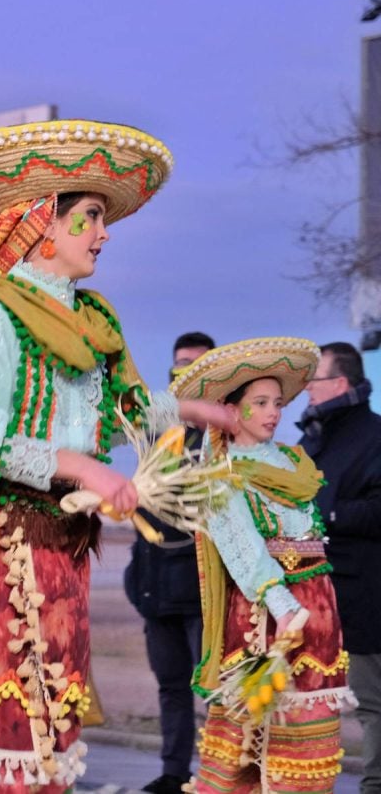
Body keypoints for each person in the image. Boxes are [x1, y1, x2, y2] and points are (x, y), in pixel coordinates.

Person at [0, 121, 234, 792]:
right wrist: (82, 466)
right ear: (39, 225)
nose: (102, 235)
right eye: (88, 219)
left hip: (63, 548)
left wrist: (195, 410)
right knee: (1, 734)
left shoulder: (91, 320)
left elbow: (125, 408)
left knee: (51, 734)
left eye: (102, 220)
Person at [173, 338, 355, 793]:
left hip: (318, 619)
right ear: (232, 411)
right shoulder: (221, 473)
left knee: (310, 753)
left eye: (277, 402)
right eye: (259, 402)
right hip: (267, 621)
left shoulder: (294, 461)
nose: (273, 412)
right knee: (257, 748)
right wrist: (284, 604)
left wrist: (317, 612)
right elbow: (243, 550)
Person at [125, 330, 214, 794]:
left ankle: (222, 772)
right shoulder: (157, 431)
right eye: (179, 366)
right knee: (170, 686)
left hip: (200, 586)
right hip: (154, 582)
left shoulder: (220, 438)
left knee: (212, 691)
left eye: (196, 366)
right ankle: (174, 771)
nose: (185, 374)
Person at [297, 341, 381, 793]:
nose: (306, 390)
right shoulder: (310, 440)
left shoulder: (375, 436)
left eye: (315, 380)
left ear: (340, 384)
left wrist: (324, 517)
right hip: (312, 597)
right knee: (311, 702)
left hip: (365, 597)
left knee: (373, 705)